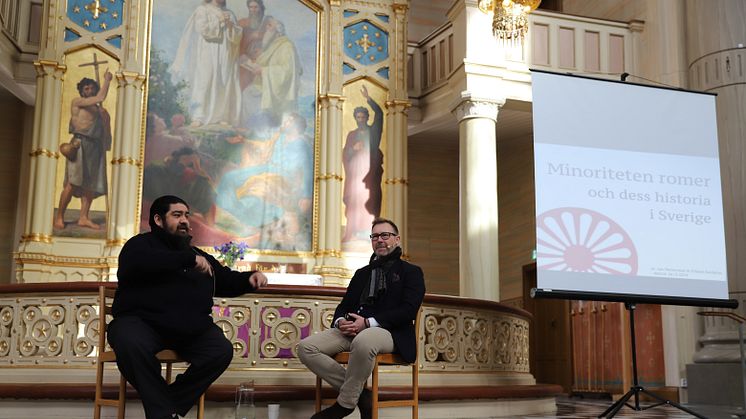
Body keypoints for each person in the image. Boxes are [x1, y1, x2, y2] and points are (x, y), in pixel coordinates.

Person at [109, 195, 268, 419]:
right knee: (129, 341)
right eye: (177, 215)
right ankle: (164, 412)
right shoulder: (139, 245)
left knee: (220, 350)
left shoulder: (197, 255)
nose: (185, 220)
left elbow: (222, 279)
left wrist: (249, 279)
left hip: (190, 330)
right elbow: (141, 263)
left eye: (186, 215)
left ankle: (165, 407)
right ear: (158, 219)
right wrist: (186, 260)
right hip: (143, 324)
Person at [298, 218, 425, 419]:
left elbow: (408, 311)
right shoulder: (362, 273)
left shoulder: (411, 272)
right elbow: (344, 306)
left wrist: (367, 323)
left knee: (364, 340)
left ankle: (345, 404)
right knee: (306, 348)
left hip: (391, 332)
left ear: (397, 239)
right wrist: (341, 322)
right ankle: (361, 395)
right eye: (375, 236)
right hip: (354, 330)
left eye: (385, 235)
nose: (380, 240)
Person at [54, 70, 113, 231]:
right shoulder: (78, 102)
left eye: (92, 87)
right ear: (82, 91)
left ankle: (83, 218)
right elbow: (101, 97)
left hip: (95, 147)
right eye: (86, 88)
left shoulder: (101, 112)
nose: (89, 91)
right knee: (72, 183)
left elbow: (106, 131)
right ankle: (59, 217)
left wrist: (105, 125)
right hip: (79, 145)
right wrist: (107, 80)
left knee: (90, 185)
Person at [170, 0, 242, 127]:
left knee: (223, 81)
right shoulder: (203, 10)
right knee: (204, 80)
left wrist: (230, 25)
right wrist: (219, 20)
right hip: (208, 49)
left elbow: (237, 37)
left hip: (225, 51)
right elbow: (202, 29)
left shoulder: (229, 13)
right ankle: (198, 116)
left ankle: (222, 116)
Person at [341, 85, 384, 243]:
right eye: (358, 117)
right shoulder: (352, 135)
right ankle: (351, 231)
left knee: (368, 199)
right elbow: (345, 153)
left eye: (363, 117)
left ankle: (367, 233)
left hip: (369, 173)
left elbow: (379, 114)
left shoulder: (373, 133)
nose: (361, 120)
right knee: (354, 200)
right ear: (355, 119)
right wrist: (353, 149)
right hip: (355, 173)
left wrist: (368, 99)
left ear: (366, 117)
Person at [244, 16, 302, 124]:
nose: (266, 28)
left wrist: (264, 71)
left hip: (278, 91)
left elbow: (288, 71)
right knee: (248, 92)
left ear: (278, 31)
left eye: (270, 26)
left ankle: (256, 129)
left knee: (248, 94)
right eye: (267, 25)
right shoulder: (273, 45)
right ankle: (251, 128)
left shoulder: (286, 46)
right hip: (266, 85)